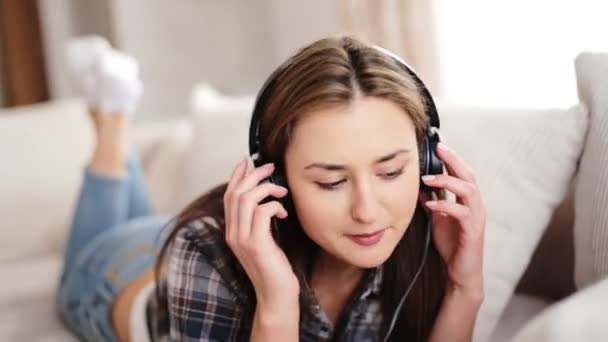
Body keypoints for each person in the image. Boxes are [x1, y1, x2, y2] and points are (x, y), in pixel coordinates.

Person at [56, 35, 486, 342]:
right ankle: (112, 124)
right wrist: (277, 301)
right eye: (331, 181)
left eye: (391, 172)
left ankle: (112, 119)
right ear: (277, 178)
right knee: (86, 253)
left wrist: (464, 287)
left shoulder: (426, 231)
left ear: (427, 158)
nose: (368, 211)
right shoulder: (203, 253)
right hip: (111, 276)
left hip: (164, 240)